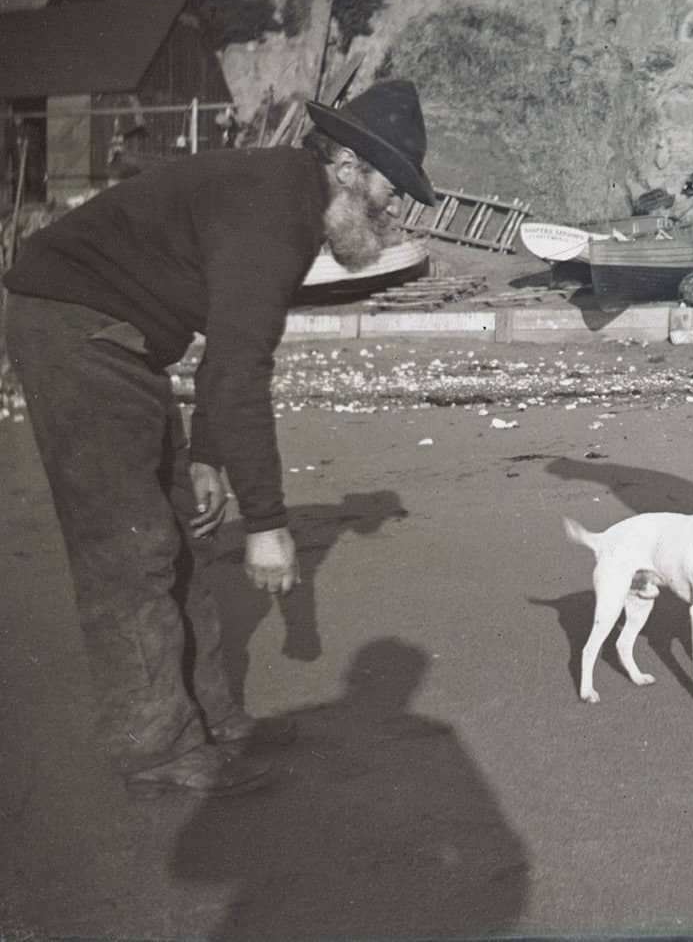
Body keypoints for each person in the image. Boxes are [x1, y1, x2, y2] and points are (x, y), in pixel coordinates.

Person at [2, 79, 437, 798]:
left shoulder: (292, 201)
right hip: (72, 325)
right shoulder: (276, 210)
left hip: (124, 339)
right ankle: (154, 746)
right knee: (130, 547)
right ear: (349, 167)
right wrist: (266, 523)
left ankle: (210, 720)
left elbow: (228, 342)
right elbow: (240, 371)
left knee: (181, 533)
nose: (394, 209)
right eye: (393, 189)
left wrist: (206, 455)